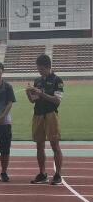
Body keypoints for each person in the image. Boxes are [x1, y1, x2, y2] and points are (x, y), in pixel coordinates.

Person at [26, 54, 64, 185]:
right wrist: (29, 93)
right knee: (39, 145)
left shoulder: (57, 80)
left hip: (51, 114)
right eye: (38, 69)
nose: (39, 71)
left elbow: (57, 101)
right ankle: (42, 174)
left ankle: (58, 175)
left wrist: (41, 93)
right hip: (38, 114)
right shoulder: (37, 80)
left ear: (48, 67)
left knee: (55, 145)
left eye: (41, 69)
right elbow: (33, 100)